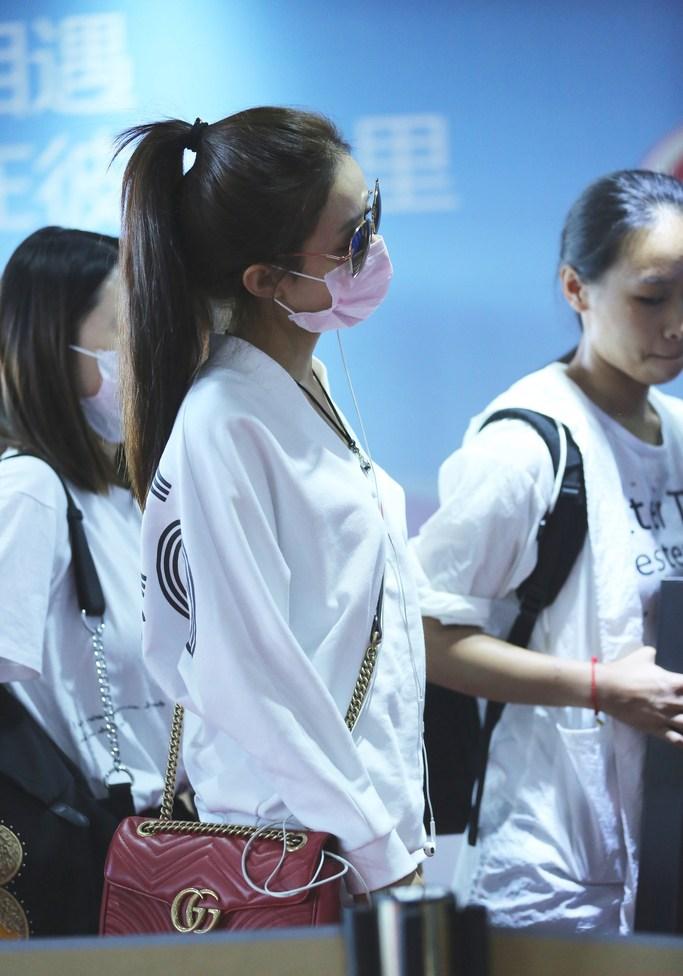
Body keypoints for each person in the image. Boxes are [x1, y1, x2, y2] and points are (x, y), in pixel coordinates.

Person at [116, 107, 427, 901]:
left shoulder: (301, 383)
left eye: (373, 215)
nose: (373, 250)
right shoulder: (224, 421)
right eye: (351, 239)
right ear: (267, 281)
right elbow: (246, 669)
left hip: (350, 832)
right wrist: (376, 848)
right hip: (299, 850)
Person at [411, 169, 683, 934]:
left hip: (663, 848)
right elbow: (422, 634)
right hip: (549, 864)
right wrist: (598, 686)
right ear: (575, 288)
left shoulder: (676, 430)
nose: (677, 324)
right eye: (652, 297)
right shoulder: (523, 447)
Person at [0, 227, 174, 935]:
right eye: (123, 328)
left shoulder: (128, 501)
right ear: (53, 344)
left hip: (159, 855)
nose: (144, 349)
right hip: (82, 866)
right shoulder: (30, 491)